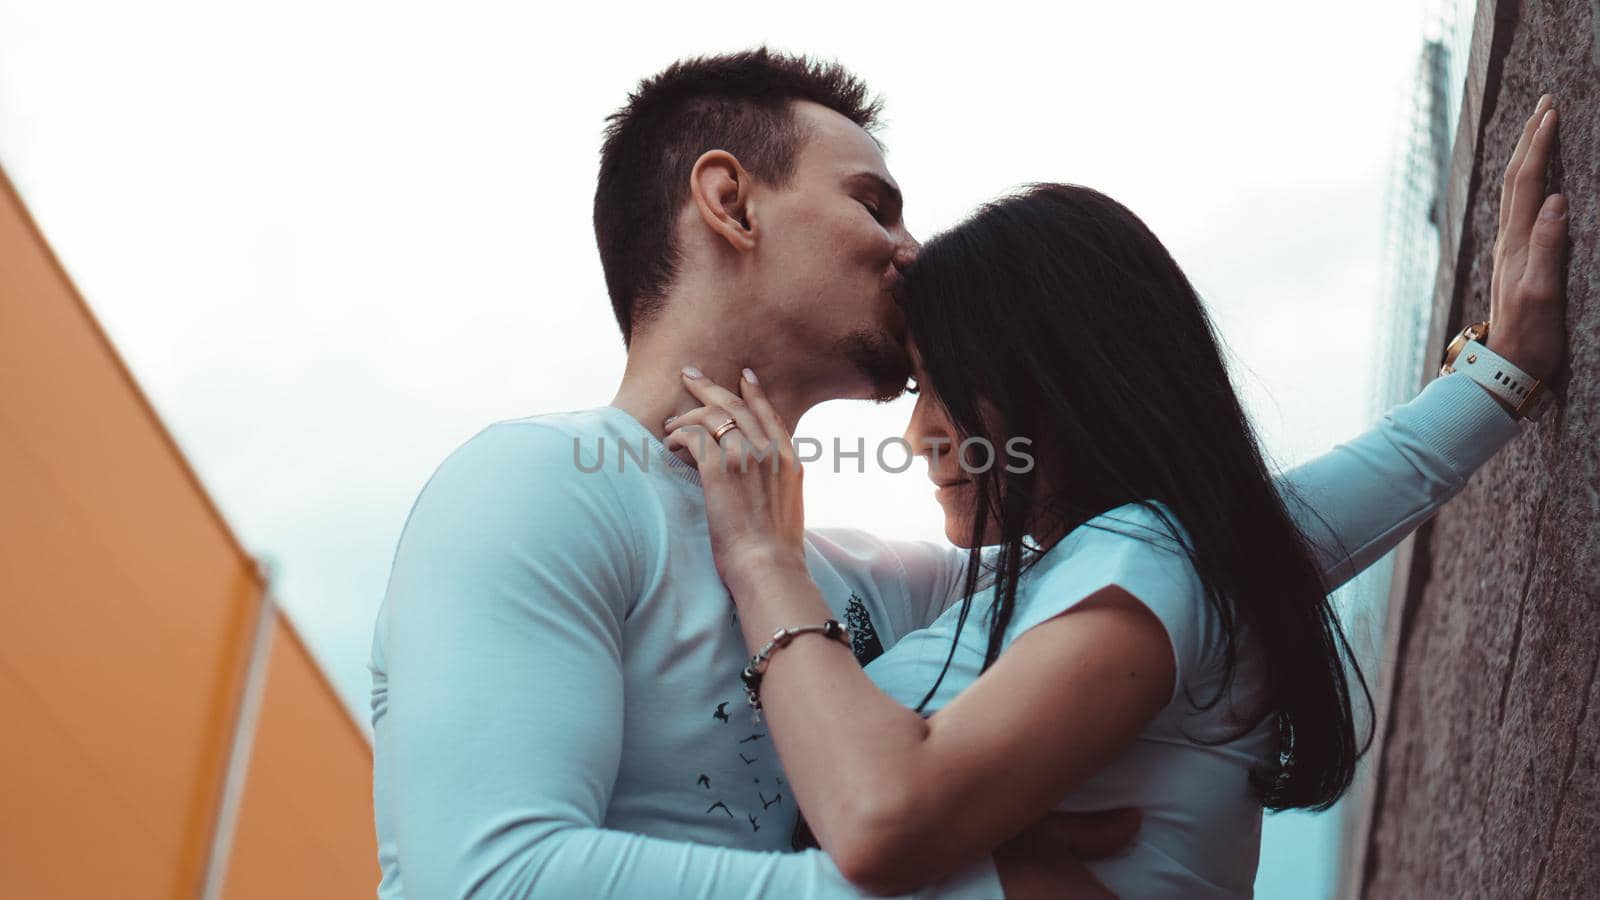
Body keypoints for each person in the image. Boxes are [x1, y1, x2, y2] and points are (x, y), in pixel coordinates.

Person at [368, 46, 1561, 897]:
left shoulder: (873, 585)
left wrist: (1494, 382)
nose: (908, 246)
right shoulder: (536, 487)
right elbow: (494, 878)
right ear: (728, 201)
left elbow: (1215, 544)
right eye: (873, 201)